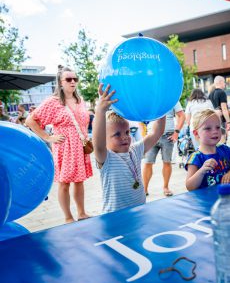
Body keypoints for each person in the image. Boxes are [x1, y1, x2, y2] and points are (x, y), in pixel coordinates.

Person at [25, 65, 92, 223]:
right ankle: (68, 217)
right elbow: (30, 120)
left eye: (75, 78)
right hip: (65, 146)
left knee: (79, 181)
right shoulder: (53, 102)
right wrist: (48, 137)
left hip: (80, 146)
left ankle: (82, 213)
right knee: (64, 183)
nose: (73, 82)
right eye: (68, 79)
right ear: (60, 82)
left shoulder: (80, 100)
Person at [92, 84, 165, 213]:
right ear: (105, 138)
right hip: (116, 218)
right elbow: (98, 144)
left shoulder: (135, 150)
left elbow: (156, 132)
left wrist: (162, 107)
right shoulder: (106, 158)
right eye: (117, 134)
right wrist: (100, 111)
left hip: (139, 212)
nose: (125, 137)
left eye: (127, 132)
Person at [185, 109, 230, 190]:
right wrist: (202, 171)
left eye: (217, 127)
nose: (215, 131)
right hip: (207, 201)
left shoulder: (224, 150)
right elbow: (189, 186)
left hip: (226, 196)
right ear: (196, 133)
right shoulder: (195, 158)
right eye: (208, 128)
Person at [142, 101, 185, 197]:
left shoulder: (172, 98)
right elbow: (141, 117)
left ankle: (166, 187)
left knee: (167, 162)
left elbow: (182, 116)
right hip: (151, 135)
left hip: (168, 135)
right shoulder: (151, 97)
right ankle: (144, 189)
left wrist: (176, 133)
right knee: (147, 162)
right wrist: (143, 133)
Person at [208, 76, 230, 144]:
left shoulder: (210, 94)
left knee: (216, 141)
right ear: (220, 82)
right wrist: (228, 122)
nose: (225, 84)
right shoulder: (221, 92)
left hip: (212, 120)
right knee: (222, 141)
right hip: (220, 120)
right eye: (224, 82)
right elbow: (224, 108)